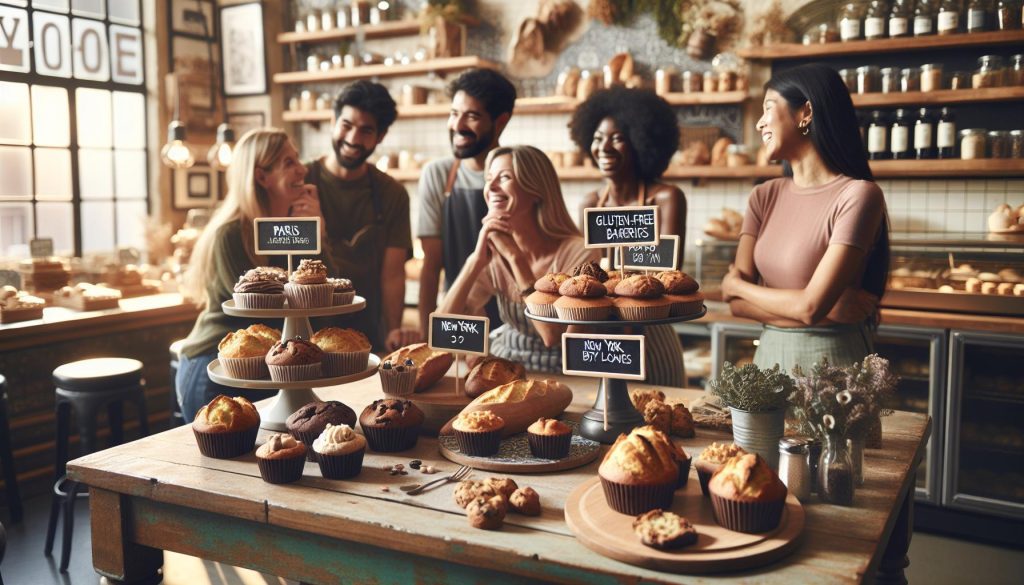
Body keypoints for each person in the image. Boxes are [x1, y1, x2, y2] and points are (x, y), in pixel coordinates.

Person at [721, 63, 890, 373]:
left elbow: (809, 307)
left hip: (833, 370)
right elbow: (734, 305)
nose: (759, 124)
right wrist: (818, 309)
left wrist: (738, 286)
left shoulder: (858, 195)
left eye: (768, 108)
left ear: (806, 113)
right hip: (768, 363)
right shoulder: (763, 196)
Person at [177, 129, 315, 420]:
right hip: (215, 366)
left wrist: (320, 234)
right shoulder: (230, 235)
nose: (302, 169)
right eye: (289, 163)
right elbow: (256, 314)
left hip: (267, 367)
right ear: (262, 177)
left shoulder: (293, 231)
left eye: (298, 159)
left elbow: (318, 297)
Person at [437, 145, 598, 371]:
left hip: (563, 370)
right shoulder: (494, 251)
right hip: (508, 363)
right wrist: (475, 261)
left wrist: (516, 258)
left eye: (504, 178)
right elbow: (441, 330)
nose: (491, 187)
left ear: (536, 191)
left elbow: (552, 336)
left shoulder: (578, 253)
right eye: (489, 178)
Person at [569, 86, 687, 387]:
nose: (604, 148)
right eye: (597, 138)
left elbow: (667, 278)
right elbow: (588, 280)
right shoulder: (590, 204)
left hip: (651, 335)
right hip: (602, 341)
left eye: (617, 138)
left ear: (641, 141)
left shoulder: (666, 199)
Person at [304, 80, 417, 352]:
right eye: (347, 125)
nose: (354, 139)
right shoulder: (301, 181)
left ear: (381, 136)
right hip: (303, 334)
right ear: (333, 121)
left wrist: (393, 330)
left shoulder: (392, 193)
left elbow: (392, 274)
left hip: (365, 336)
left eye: (366, 130)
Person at [416, 68, 517, 338]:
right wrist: (427, 335)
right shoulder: (437, 175)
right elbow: (431, 264)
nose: (457, 126)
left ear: (500, 122)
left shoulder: (521, 175)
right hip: (457, 320)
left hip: (513, 322)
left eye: (471, 116)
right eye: (453, 113)